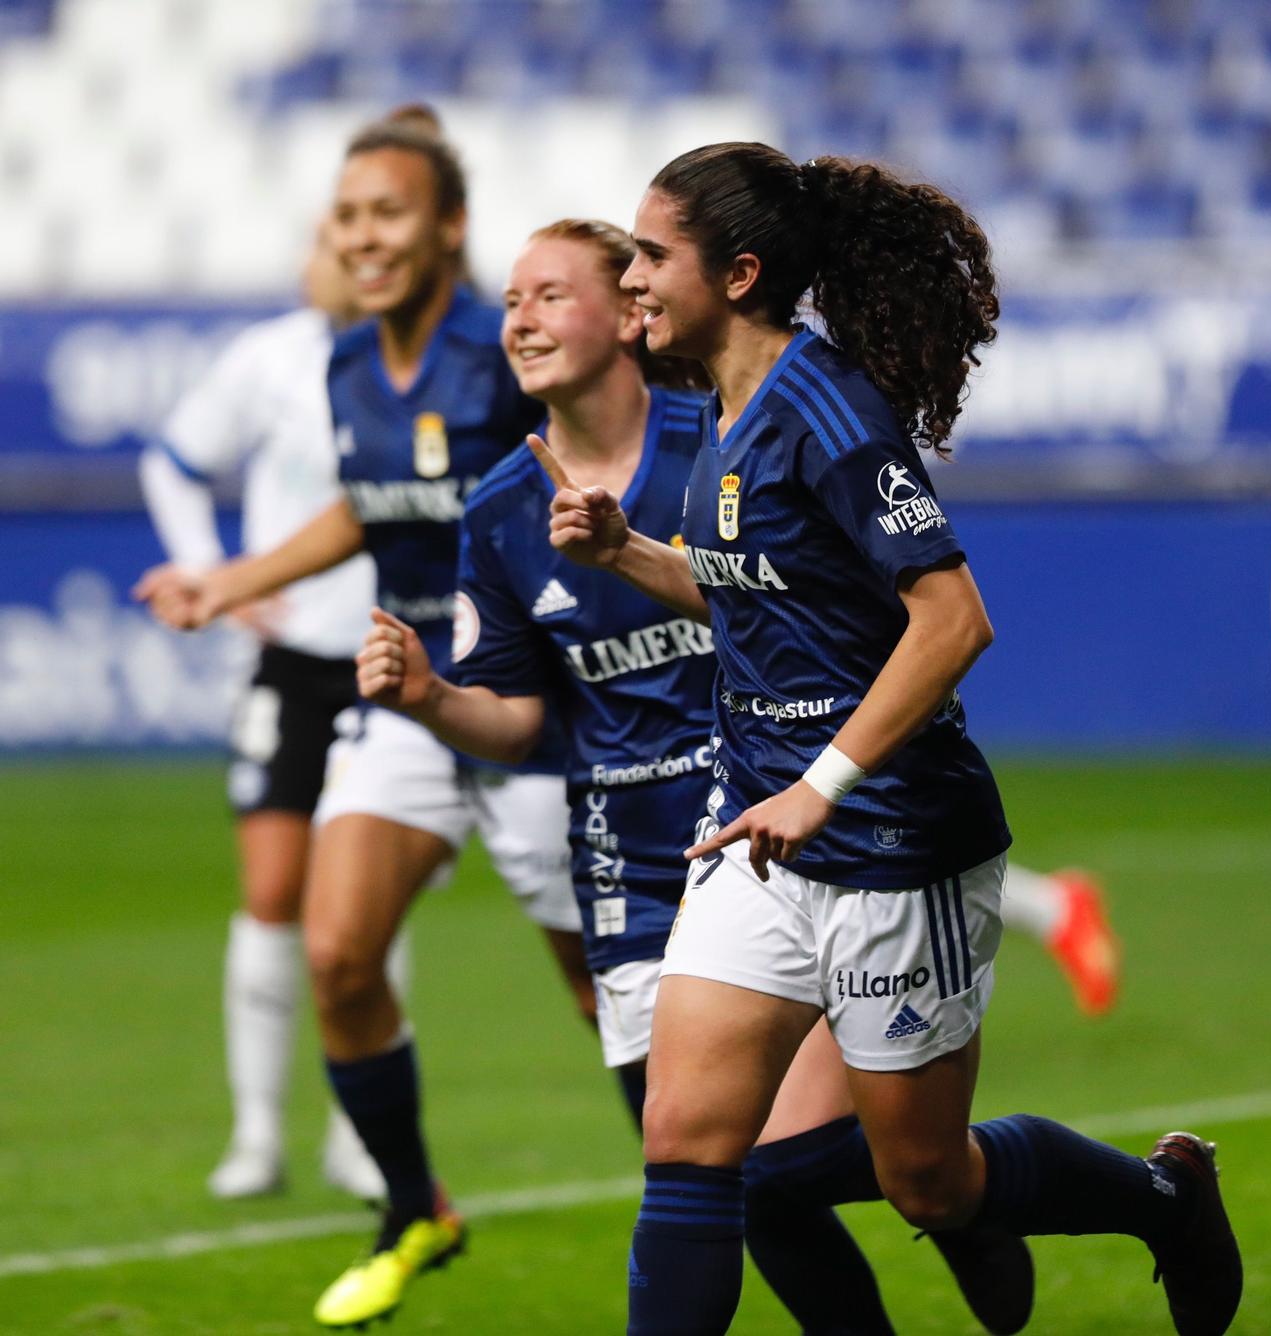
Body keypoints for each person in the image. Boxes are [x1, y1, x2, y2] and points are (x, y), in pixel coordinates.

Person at [544, 142, 1242, 1336]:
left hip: (894, 843)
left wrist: (825, 781)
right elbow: (769, 595)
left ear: (742, 271)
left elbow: (952, 616)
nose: (633, 281)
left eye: (653, 256)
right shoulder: (722, 407)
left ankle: (1167, 1198)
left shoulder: (827, 412)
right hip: (758, 839)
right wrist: (628, 556)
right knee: (688, 1148)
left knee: (928, 1176)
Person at [357, 215, 1035, 1336]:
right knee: (713, 1179)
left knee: (798, 1167)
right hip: (636, 877)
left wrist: (825, 768)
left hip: (793, 836)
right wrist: (429, 696)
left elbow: (901, 613)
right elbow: (522, 725)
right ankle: (952, 1189)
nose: (518, 318)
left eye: (552, 293)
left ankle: (961, 1190)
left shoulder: (725, 426)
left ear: (628, 316)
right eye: (511, 300)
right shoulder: (498, 512)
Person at [133, 112, 594, 1329]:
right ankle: (413, 1209)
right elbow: (371, 503)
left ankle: (720, 1190)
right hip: (398, 686)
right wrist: (231, 580)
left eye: (387, 212)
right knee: (336, 951)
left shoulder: (502, 350)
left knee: (608, 995)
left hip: (525, 692)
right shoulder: (347, 362)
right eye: (346, 216)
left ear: (448, 226)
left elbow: (591, 465)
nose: (363, 236)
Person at [138, 221, 390, 1203]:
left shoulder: (413, 362)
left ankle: (359, 1131)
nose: (315, 262)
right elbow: (173, 459)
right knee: (275, 888)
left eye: (334, 244)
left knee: (368, 894)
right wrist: (215, 574)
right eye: (322, 242)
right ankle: (255, 1132)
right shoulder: (269, 357)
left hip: (382, 658)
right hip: (286, 660)